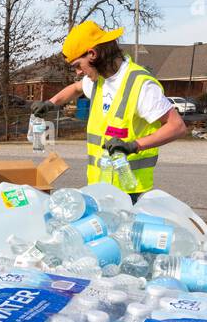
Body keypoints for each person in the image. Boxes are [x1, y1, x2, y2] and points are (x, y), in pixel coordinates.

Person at [31, 22, 188, 201]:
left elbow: (177, 126)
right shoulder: (99, 80)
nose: (77, 72)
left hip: (127, 188)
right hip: (100, 184)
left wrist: (134, 146)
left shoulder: (139, 84)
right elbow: (75, 88)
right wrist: (50, 103)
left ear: (92, 54)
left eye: (77, 65)